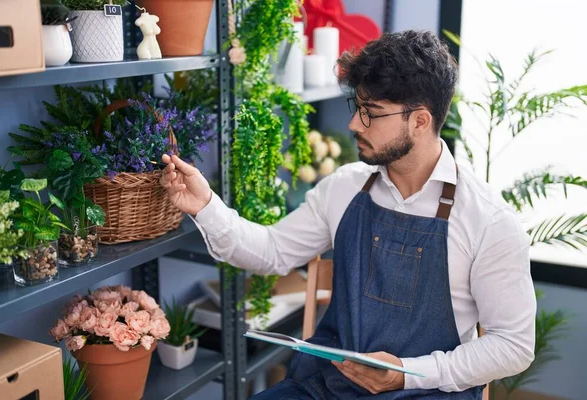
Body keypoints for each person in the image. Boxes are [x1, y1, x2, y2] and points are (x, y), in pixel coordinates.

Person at [159, 30, 536, 399]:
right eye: (357, 107)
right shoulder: (344, 187)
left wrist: (408, 376)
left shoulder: (489, 221)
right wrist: (206, 205)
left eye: (371, 113)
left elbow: (513, 345)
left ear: (420, 121)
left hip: (430, 391)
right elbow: (271, 251)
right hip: (332, 387)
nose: (354, 124)